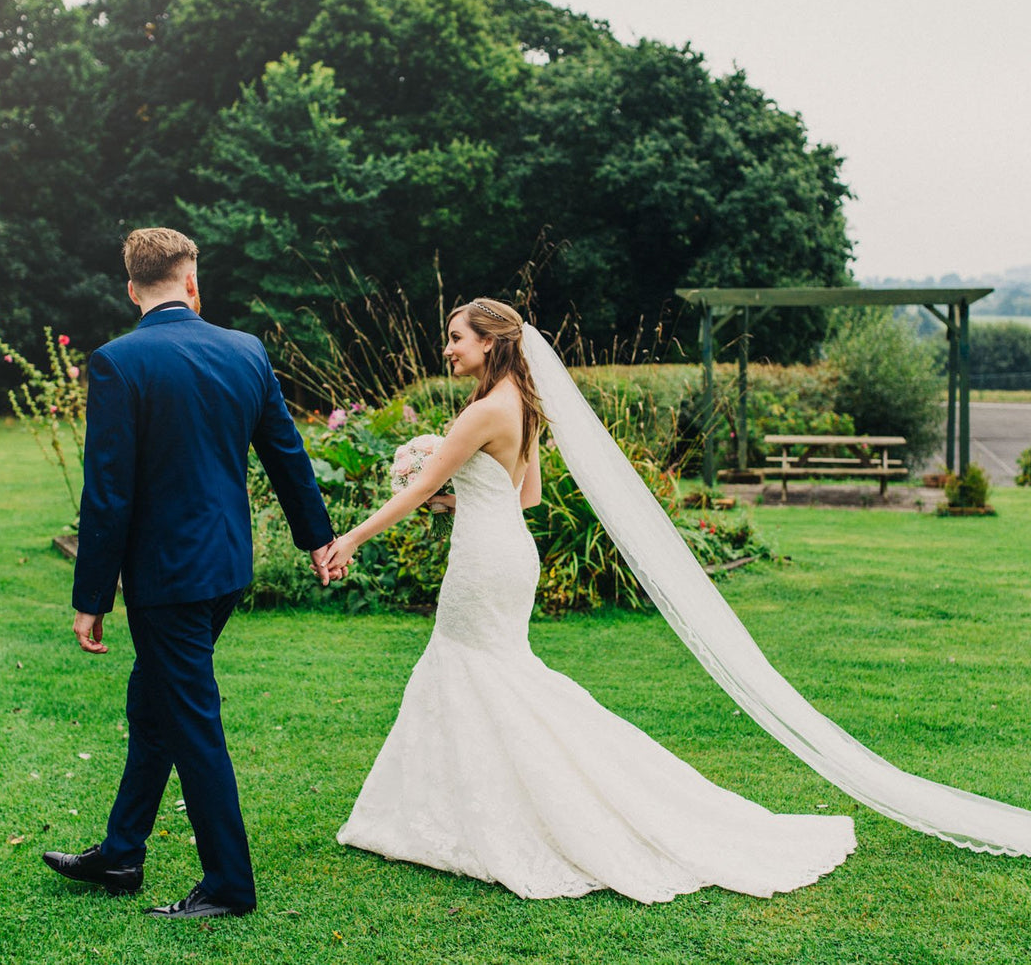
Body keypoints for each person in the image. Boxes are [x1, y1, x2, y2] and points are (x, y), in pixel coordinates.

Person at [321, 298, 857, 902]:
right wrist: (457, 497)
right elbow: (525, 498)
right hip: (511, 553)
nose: (447, 349)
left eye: (456, 338)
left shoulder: (480, 413)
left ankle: (490, 812)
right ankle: (455, 812)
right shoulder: (523, 405)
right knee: (490, 672)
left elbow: (421, 489)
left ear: (491, 343)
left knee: (477, 669)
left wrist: (351, 539)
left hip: (483, 562)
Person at [42, 227, 342, 919]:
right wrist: (317, 536)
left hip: (169, 579)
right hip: (225, 569)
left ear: (130, 288)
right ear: (191, 280)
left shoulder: (118, 362)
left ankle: (229, 884)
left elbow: (108, 491)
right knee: (155, 704)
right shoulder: (246, 351)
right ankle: (121, 851)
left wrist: (92, 596)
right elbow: (287, 454)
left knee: (189, 719)